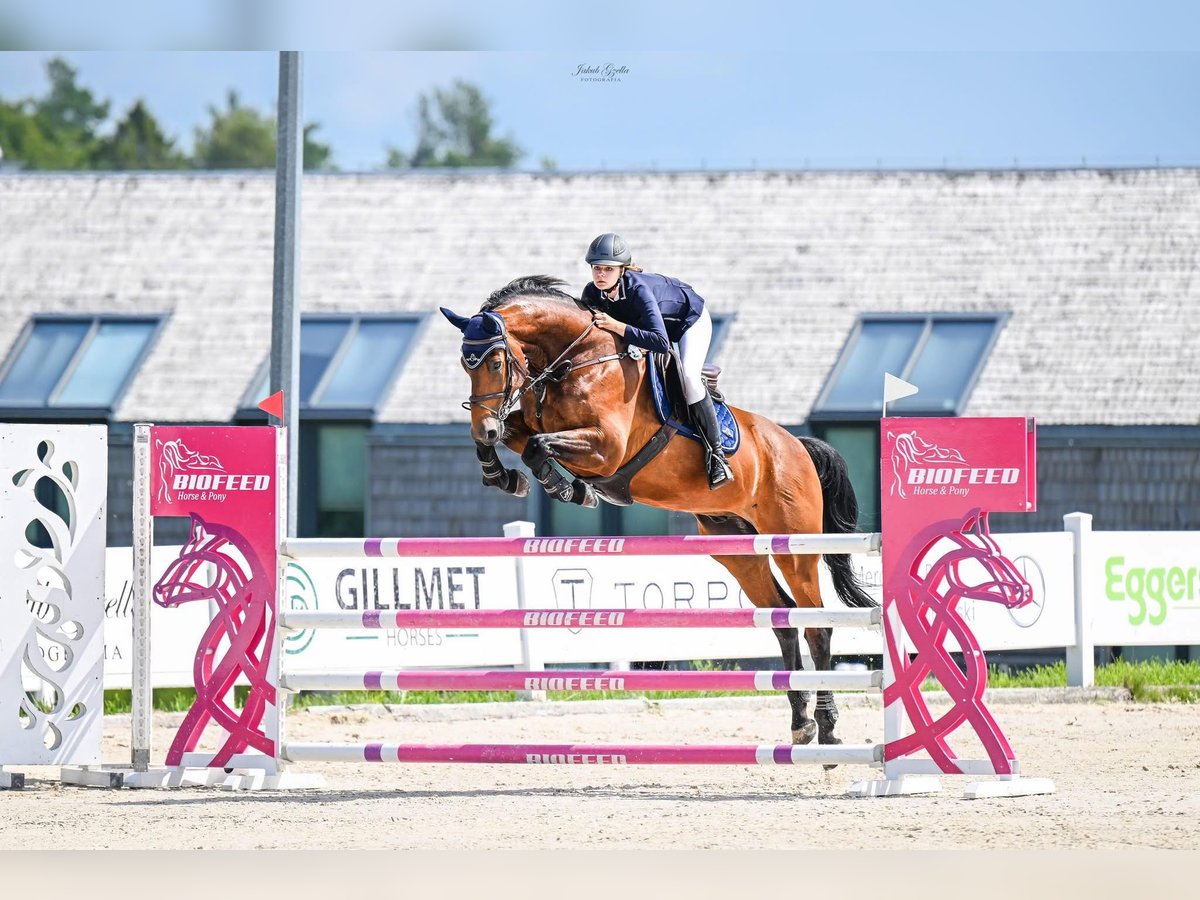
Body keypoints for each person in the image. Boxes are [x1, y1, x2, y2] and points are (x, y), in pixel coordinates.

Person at [581, 232, 734, 490]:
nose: (600, 275)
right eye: (597, 268)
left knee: (689, 378)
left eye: (608, 269)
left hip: (688, 321)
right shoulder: (592, 294)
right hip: (648, 329)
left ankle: (717, 456)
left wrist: (618, 327)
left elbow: (661, 342)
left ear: (622, 270)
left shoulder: (638, 290)